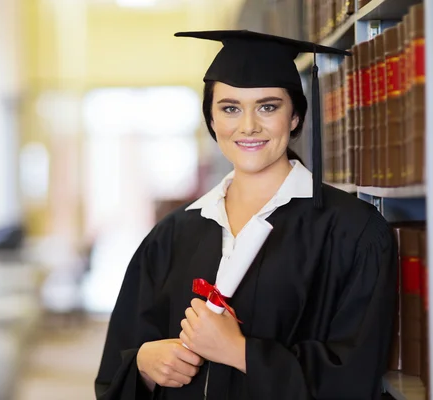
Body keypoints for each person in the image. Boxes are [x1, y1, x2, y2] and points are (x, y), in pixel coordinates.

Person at [95, 30, 398, 400]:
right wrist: (143, 363)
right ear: (211, 118)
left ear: (295, 116)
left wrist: (240, 353)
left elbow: (357, 376)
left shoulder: (354, 232)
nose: (248, 125)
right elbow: (116, 368)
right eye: (230, 108)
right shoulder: (172, 235)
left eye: (268, 106)